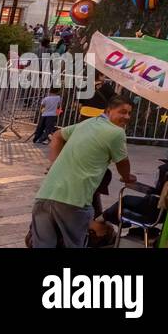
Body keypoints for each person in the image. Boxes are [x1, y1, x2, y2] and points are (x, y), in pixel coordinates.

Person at [31, 95, 136, 248]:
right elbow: (123, 162)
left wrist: (54, 163)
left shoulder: (88, 123)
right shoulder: (116, 133)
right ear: (108, 110)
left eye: (129, 113)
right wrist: (127, 177)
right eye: (122, 112)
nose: (126, 117)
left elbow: (57, 136)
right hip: (74, 201)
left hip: (45, 195)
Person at [103, 134, 168, 229]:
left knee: (124, 200)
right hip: (165, 213)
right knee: (126, 202)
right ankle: (105, 219)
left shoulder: (165, 170)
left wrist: (137, 186)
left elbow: (157, 191)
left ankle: (103, 219)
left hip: (154, 209)